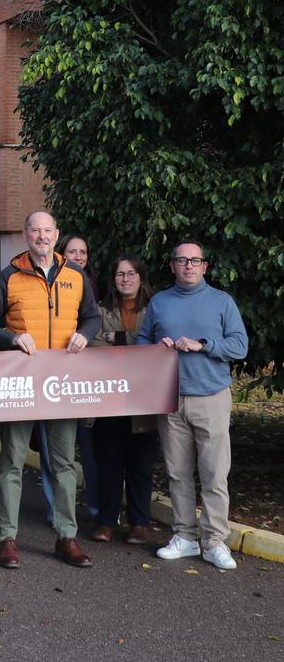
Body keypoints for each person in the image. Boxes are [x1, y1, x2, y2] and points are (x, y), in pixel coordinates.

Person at [0, 211, 100, 570]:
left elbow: (92, 316)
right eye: (35, 231)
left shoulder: (75, 275)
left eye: (47, 231)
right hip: (21, 384)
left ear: (56, 235)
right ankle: (7, 538)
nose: (42, 236)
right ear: (26, 235)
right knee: (12, 462)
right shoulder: (10, 275)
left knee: (63, 464)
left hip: (62, 383)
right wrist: (12, 338)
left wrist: (85, 334)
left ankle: (66, 537)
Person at [137, 240, 247, 570]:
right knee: (177, 473)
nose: (188, 265)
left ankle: (214, 541)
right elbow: (142, 341)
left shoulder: (222, 301)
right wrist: (156, 347)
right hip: (171, 399)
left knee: (214, 474)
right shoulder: (159, 302)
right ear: (172, 266)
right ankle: (184, 536)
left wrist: (204, 345)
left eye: (194, 260)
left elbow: (239, 346)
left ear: (204, 266)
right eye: (182, 260)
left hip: (211, 397)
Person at [88, 254, 157, 545]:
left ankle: (139, 523)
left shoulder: (156, 308)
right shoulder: (100, 309)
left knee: (140, 463)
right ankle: (107, 522)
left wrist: (115, 340)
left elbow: (155, 347)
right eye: (120, 274)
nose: (125, 279)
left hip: (144, 396)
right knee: (108, 463)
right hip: (108, 396)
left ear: (141, 277)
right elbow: (92, 344)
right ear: (112, 279)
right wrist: (133, 341)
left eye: (131, 274)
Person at [55, 232, 100, 521]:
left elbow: (95, 322)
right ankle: (58, 509)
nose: (78, 257)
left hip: (89, 379)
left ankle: (95, 507)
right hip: (57, 375)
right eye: (73, 252)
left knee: (90, 449)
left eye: (83, 252)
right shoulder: (54, 281)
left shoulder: (97, 286)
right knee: (59, 452)